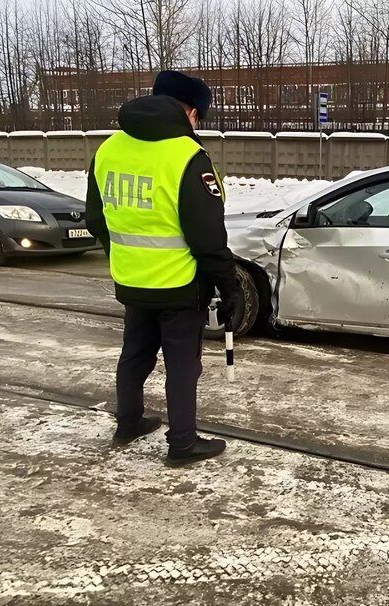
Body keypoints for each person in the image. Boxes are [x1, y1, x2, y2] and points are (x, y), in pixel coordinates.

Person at [84, 70, 238, 467]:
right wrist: (229, 285)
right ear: (189, 112)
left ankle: (128, 422)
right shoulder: (187, 156)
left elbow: (95, 218)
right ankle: (183, 443)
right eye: (198, 116)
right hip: (179, 284)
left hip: (131, 280)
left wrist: (124, 255)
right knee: (183, 366)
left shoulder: (108, 150)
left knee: (134, 354)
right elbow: (207, 237)